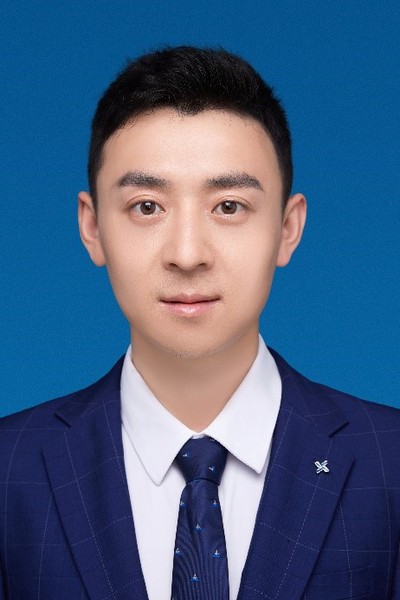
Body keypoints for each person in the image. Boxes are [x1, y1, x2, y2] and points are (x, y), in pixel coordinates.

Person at [0, 46, 399, 600]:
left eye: (228, 206)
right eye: (147, 207)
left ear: (287, 228)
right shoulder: (10, 468)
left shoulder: (390, 461)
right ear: (92, 228)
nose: (187, 254)